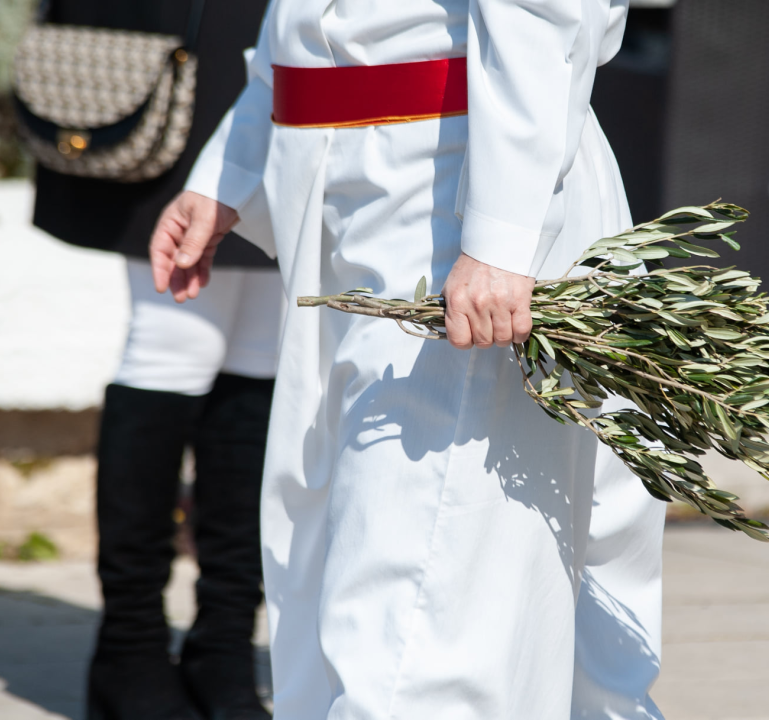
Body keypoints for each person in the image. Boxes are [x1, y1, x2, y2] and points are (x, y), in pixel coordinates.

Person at [150, 1, 666, 717]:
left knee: (421, 597)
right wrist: (232, 165)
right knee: (338, 550)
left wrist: (500, 234)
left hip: (454, 182)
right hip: (348, 181)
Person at [31, 1, 277, 718]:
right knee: (174, 341)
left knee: (262, 346)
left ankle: (223, 646)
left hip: (297, 43)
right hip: (172, 42)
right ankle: (129, 650)